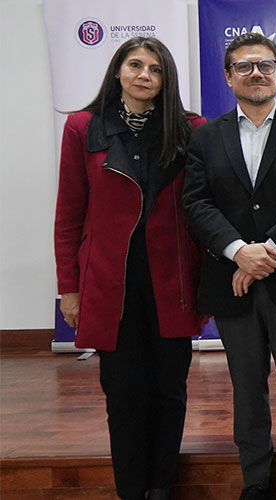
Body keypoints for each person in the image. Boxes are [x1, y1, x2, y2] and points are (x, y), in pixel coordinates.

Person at [182, 32, 276, 500]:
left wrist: (266, 251)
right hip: (232, 279)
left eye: (265, 64)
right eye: (244, 66)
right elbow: (197, 202)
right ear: (228, 77)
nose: (256, 73)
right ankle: (255, 479)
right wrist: (237, 252)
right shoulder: (206, 136)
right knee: (246, 388)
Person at [54, 36, 205, 500]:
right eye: (135, 65)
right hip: (108, 284)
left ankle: (160, 487)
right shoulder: (83, 127)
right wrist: (69, 289)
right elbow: (68, 213)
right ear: (118, 70)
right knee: (123, 397)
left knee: (169, 392)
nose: (145, 75)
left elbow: (202, 209)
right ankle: (131, 490)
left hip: (172, 282)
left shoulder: (190, 128)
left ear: (166, 80)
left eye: (156, 69)